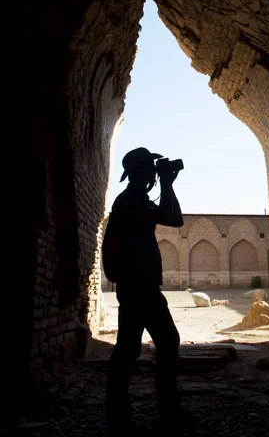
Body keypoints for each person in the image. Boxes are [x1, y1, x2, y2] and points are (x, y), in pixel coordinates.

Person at [103, 147, 193, 435]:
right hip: (137, 287)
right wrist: (167, 183)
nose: (155, 171)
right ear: (138, 172)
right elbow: (173, 218)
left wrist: (166, 183)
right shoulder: (128, 201)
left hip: (140, 286)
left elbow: (173, 217)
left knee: (136, 349)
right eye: (151, 167)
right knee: (144, 348)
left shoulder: (137, 200)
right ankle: (143, 416)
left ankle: (130, 416)